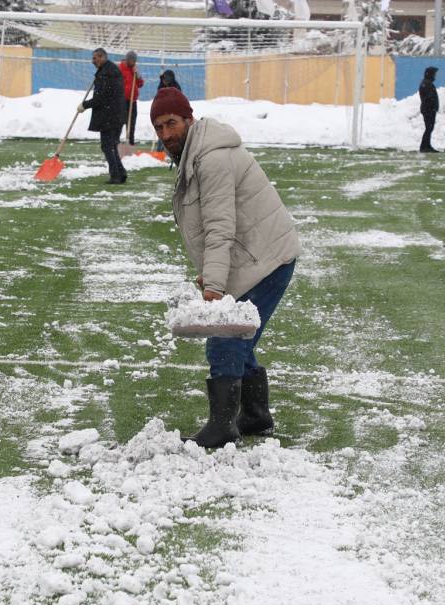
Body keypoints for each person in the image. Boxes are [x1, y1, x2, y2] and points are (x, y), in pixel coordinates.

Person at [150, 87, 300, 448]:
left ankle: (222, 427)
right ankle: (255, 416)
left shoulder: (211, 157)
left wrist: (214, 289)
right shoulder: (197, 152)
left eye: (171, 123)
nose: (166, 134)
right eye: (159, 127)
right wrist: (211, 273)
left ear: (189, 118)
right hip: (257, 255)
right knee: (240, 338)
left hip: (264, 259)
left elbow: (219, 226)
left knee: (225, 339)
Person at [78, 47, 126, 184]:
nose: (93, 61)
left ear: (102, 57)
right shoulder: (108, 70)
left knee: (107, 146)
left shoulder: (107, 72)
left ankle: (116, 175)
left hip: (109, 115)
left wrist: (85, 105)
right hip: (115, 114)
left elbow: (102, 97)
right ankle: (121, 173)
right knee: (111, 145)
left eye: (95, 58)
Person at [118, 50, 144, 145]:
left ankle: (130, 141)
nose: (133, 63)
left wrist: (137, 75)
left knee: (132, 122)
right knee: (120, 121)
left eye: (135, 61)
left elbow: (140, 84)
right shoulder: (120, 68)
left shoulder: (134, 70)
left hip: (132, 100)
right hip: (122, 100)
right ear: (127, 59)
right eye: (132, 61)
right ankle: (116, 140)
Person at [418, 66, 440, 154]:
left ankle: (427, 145)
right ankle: (424, 146)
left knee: (429, 128)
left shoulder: (427, 83)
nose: (435, 76)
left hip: (429, 109)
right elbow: (428, 98)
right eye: (434, 74)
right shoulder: (426, 84)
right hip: (428, 110)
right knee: (428, 128)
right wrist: (432, 107)